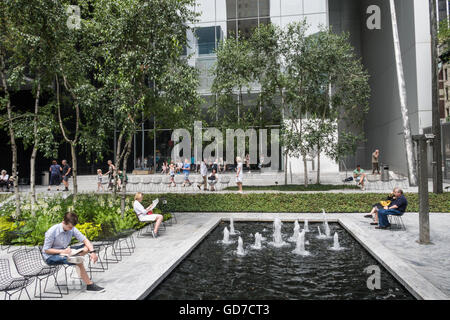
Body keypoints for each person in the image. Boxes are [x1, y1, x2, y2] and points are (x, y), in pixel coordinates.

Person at [42, 212, 105, 292]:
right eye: (69, 227)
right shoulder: (52, 231)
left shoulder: (72, 229)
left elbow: (85, 240)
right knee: (78, 260)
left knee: (87, 248)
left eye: (72, 227)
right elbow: (46, 250)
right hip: (51, 257)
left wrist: (92, 252)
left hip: (65, 251)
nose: (71, 229)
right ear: (63, 222)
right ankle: (89, 285)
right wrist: (62, 251)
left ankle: (76, 262)